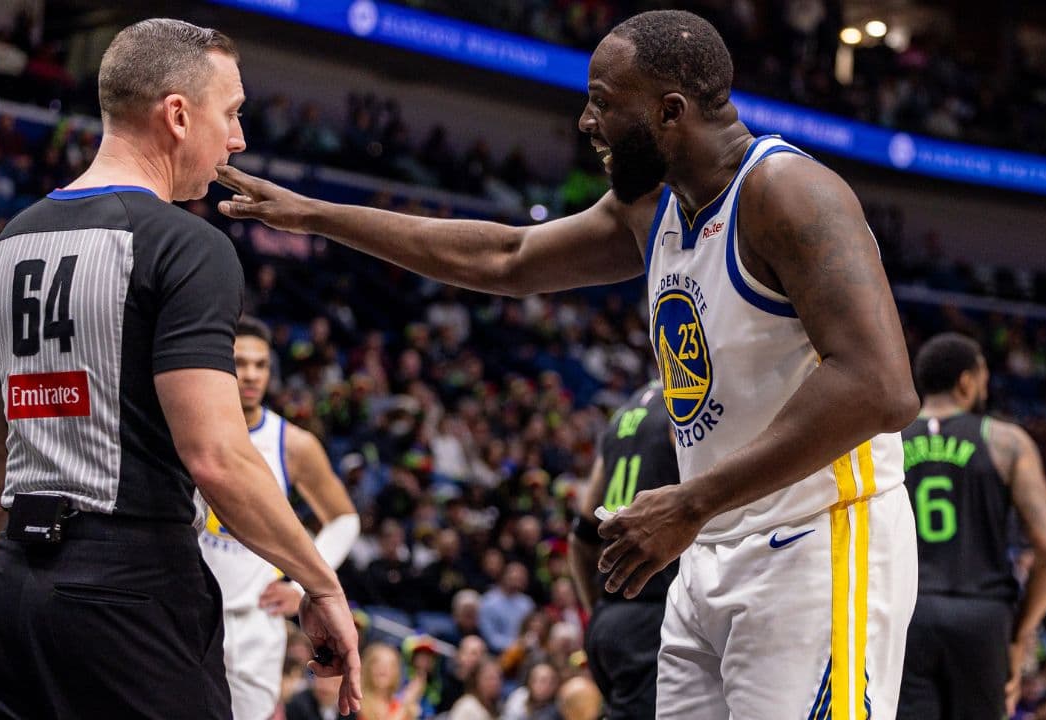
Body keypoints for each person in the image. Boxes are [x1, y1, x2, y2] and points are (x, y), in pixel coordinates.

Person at [218, 10, 919, 718]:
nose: (586, 122)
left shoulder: (789, 193)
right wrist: (317, 216)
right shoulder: (655, 211)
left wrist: (693, 500)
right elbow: (505, 257)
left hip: (820, 542)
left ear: (669, 112)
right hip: (711, 547)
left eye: (603, 102)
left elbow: (881, 387)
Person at [0, 18, 360, 719]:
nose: (237, 139)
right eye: (231, 113)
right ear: (178, 115)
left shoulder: (10, 241)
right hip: (132, 593)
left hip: (9, 588)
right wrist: (320, 584)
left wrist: (39, 576)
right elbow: (215, 457)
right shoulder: (188, 246)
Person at [199, 315, 361, 720]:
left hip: (257, 618)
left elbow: (344, 518)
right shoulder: (191, 427)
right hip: (191, 607)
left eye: (261, 364)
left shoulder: (292, 443)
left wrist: (299, 583)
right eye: (240, 362)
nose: (251, 374)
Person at [897, 333, 1046, 719]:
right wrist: (1020, 634)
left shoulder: (887, 442)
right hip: (982, 616)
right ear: (967, 382)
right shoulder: (1006, 441)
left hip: (907, 612)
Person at [569, 381, 678, 718]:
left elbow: (581, 538)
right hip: (654, 617)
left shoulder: (621, 416)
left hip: (609, 620)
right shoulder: (686, 401)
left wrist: (596, 612)